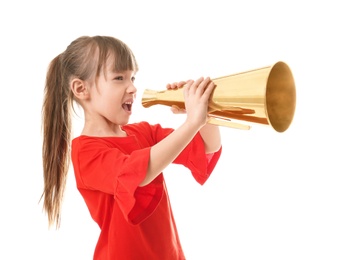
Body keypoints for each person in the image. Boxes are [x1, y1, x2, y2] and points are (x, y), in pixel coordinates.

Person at [41, 35, 222, 260]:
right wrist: (193, 122)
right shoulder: (85, 152)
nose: (133, 88)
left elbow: (207, 147)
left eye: (133, 77)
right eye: (119, 78)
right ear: (81, 89)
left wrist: (205, 111)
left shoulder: (144, 132)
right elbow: (139, 173)